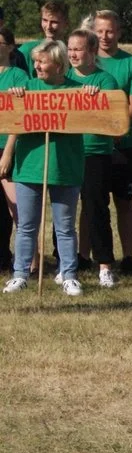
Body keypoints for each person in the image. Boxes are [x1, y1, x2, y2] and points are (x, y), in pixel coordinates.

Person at [1, 40, 90, 296]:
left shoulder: (77, 90)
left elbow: (97, 112)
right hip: (30, 166)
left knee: (64, 226)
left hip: (65, 167)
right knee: (27, 226)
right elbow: (13, 118)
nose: (37, 66)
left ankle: (69, 275)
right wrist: (17, 98)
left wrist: (91, 93)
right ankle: (20, 274)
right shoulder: (27, 88)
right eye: (35, 61)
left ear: (58, 64)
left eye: (42, 61)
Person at [93, 10, 132, 275]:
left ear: (119, 32)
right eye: (100, 31)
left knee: (124, 202)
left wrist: (116, 127)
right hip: (91, 145)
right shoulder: (84, 60)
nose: (104, 36)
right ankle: (85, 255)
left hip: (124, 144)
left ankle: (128, 256)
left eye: (110, 31)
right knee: (92, 202)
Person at [66, 29, 120, 287]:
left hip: (95, 151)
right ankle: (66, 264)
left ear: (92, 52)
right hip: (67, 151)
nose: (73, 54)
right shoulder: (63, 77)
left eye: (79, 49)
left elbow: (113, 116)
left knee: (96, 207)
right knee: (64, 209)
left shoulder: (105, 80)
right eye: (70, 49)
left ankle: (105, 265)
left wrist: (94, 100)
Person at [0, 28, 29, 274]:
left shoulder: (19, 77)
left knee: (18, 209)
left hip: (7, 147)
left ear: (10, 47)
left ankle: (31, 261)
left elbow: (20, 117)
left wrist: (8, 152)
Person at [16, 1, 68, 70]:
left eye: (54, 22)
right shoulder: (27, 50)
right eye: (45, 20)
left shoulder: (73, 53)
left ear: (66, 24)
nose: (48, 26)